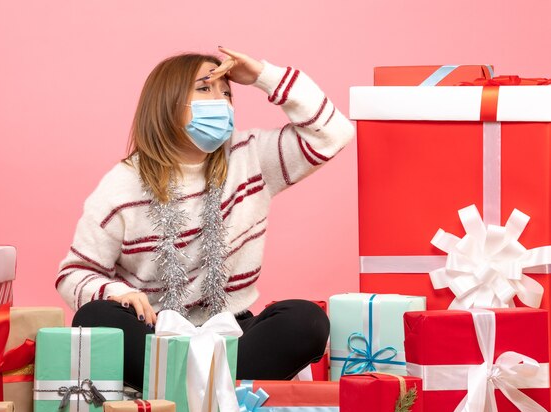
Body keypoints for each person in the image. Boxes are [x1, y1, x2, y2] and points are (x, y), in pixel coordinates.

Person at [56, 46, 355, 390]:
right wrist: (114, 291)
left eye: (226, 93)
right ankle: (217, 390)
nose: (221, 101)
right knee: (95, 317)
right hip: (154, 333)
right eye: (204, 88)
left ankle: (178, 389)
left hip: (232, 332)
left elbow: (334, 133)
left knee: (307, 320)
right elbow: (73, 273)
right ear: (168, 104)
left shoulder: (252, 156)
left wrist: (262, 76)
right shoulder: (121, 184)